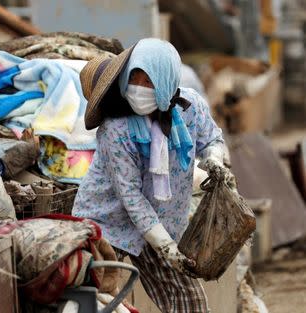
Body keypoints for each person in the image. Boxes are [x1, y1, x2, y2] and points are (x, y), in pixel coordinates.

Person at [72, 38, 231, 313]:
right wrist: (167, 247)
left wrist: (215, 161)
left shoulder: (190, 107)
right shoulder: (116, 129)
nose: (139, 89)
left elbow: (212, 139)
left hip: (162, 222)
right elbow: (131, 197)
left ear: (166, 79)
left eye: (149, 81)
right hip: (108, 223)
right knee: (98, 302)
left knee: (189, 302)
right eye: (135, 79)